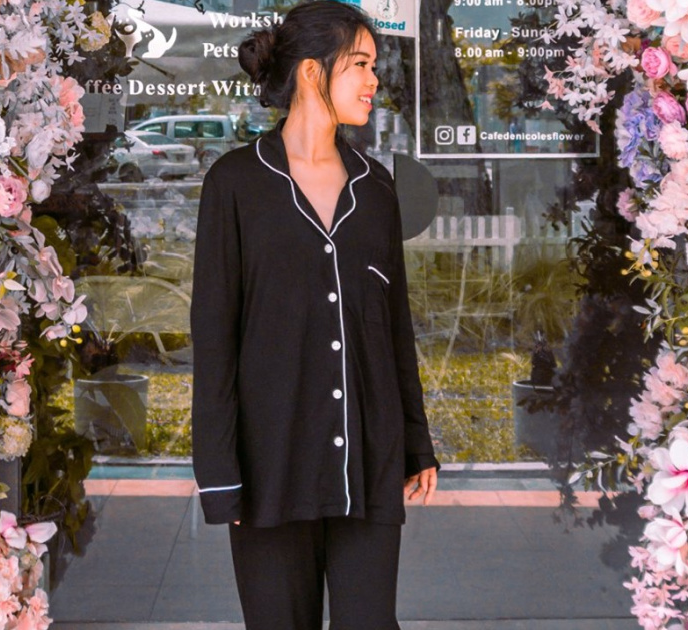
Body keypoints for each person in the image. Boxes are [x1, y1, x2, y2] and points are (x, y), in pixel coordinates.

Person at [190, 2, 440, 629]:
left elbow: (394, 328)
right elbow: (214, 340)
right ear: (310, 73)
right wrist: (219, 475)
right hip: (269, 468)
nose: (373, 80)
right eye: (359, 65)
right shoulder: (236, 184)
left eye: (373, 66)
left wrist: (415, 441)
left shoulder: (376, 188)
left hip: (369, 459)